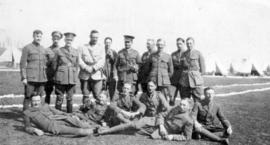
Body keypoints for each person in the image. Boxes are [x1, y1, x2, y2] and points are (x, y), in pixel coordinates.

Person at [97, 98, 194, 142]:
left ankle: (109, 129)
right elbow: (161, 115)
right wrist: (161, 126)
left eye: (184, 105)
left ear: (189, 107)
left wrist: (172, 137)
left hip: (156, 132)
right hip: (152, 121)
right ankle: (106, 131)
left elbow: (187, 137)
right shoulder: (175, 108)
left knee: (132, 132)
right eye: (181, 103)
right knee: (133, 125)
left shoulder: (189, 120)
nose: (180, 106)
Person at [23, 94, 94, 136]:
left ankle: (97, 128)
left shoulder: (45, 105)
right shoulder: (27, 113)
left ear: (40, 100)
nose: (36, 103)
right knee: (79, 131)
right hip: (53, 127)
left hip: (60, 119)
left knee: (79, 123)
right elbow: (27, 127)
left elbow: (56, 111)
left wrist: (68, 115)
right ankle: (96, 131)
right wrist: (34, 130)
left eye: (38, 100)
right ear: (31, 101)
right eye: (34, 101)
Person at [20, 30, 48, 111]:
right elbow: (22, 64)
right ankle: (26, 119)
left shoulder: (43, 49)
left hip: (41, 78)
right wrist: (24, 77)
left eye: (40, 37)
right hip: (31, 78)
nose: (38, 38)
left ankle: (36, 116)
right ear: (33, 36)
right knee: (28, 97)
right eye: (37, 36)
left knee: (38, 98)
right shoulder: (27, 48)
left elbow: (44, 63)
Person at [53, 32, 79, 113]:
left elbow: (77, 66)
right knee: (59, 98)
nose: (69, 41)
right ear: (64, 40)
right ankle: (57, 115)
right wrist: (57, 75)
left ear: (72, 41)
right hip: (61, 78)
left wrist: (75, 77)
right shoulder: (59, 51)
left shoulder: (76, 51)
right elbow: (54, 65)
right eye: (67, 40)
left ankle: (69, 115)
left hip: (71, 78)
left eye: (70, 40)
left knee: (70, 98)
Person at [78, 30, 106, 103]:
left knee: (97, 95)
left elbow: (102, 61)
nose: (95, 39)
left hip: (97, 74)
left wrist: (94, 68)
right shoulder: (82, 47)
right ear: (90, 37)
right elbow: (79, 59)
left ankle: (97, 113)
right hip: (85, 74)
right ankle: (84, 112)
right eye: (93, 37)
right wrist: (86, 67)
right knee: (85, 95)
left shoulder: (101, 48)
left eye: (96, 37)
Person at [148, 39, 174, 105]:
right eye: (158, 44)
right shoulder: (152, 56)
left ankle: (164, 114)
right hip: (154, 81)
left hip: (164, 82)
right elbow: (148, 68)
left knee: (164, 98)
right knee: (153, 98)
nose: (160, 46)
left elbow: (171, 71)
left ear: (164, 45)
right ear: (156, 45)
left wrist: (165, 78)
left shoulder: (168, 56)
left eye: (161, 44)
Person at [179, 37, 205, 101]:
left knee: (198, 99)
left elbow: (203, 69)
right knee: (185, 99)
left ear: (193, 44)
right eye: (187, 43)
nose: (189, 45)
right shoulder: (183, 54)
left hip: (196, 80)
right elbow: (181, 67)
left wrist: (197, 76)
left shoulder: (198, 53)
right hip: (185, 80)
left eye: (190, 43)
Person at [45, 31, 63, 104]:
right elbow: (44, 63)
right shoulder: (47, 50)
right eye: (54, 38)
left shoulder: (63, 50)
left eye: (58, 38)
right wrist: (52, 60)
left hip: (59, 75)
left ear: (60, 39)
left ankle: (58, 112)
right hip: (49, 75)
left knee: (59, 94)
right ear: (52, 38)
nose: (56, 40)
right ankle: (46, 110)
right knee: (47, 93)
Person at [170, 37, 186, 105]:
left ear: (183, 44)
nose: (178, 45)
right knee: (171, 96)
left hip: (183, 78)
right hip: (174, 78)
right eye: (177, 44)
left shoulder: (187, 53)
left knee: (184, 98)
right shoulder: (173, 54)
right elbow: (170, 65)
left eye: (180, 44)